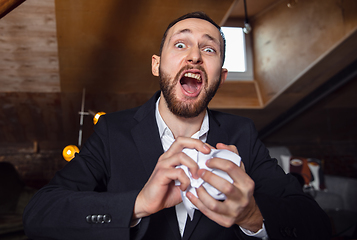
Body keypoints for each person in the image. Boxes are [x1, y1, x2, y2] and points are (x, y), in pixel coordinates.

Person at [23, 12, 331, 240]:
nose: (195, 56)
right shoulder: (111, 130)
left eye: (208, 49)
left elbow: (316, 224)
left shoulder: (242, 134)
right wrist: (137, 204)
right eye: (181, 44)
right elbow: (40, 214)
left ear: (221, 77)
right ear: (157, 64)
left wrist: (253, 216)